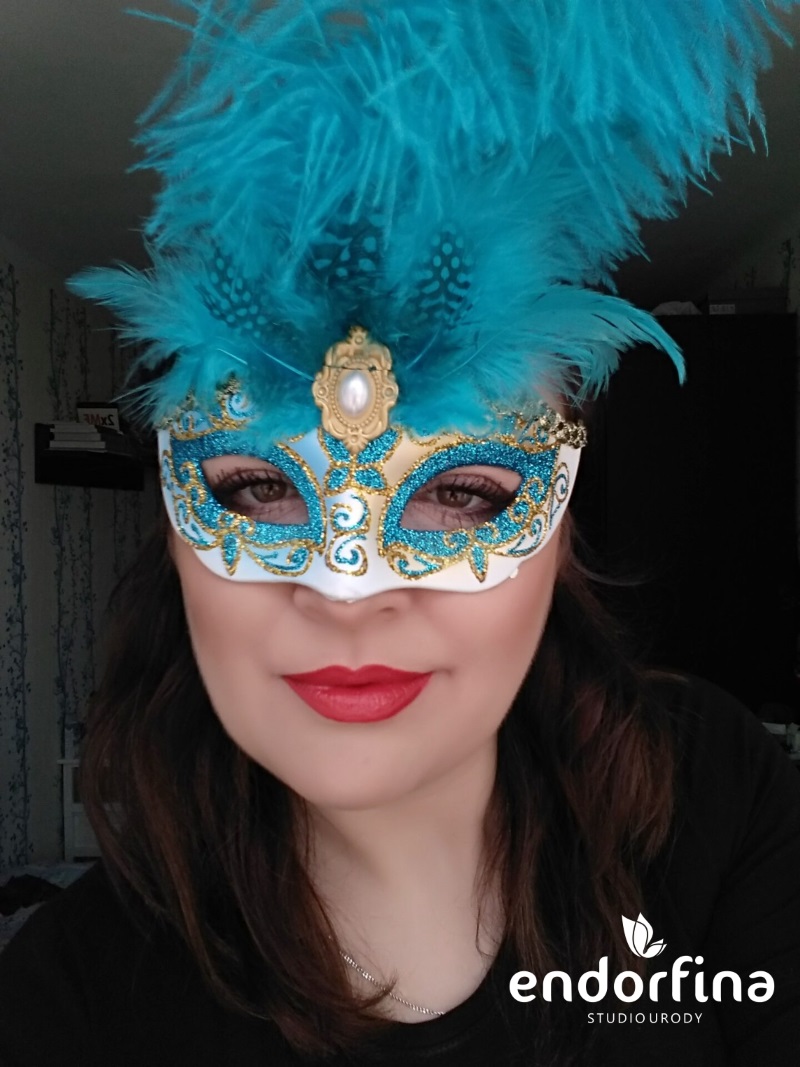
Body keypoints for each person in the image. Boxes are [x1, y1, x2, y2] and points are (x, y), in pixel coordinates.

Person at [1, 2, 799, 1064]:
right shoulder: (71, 999)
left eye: (462, 492)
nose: (347, 588)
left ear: (559, 535)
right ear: (175, 537)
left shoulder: (715, 796)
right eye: (257, 487)